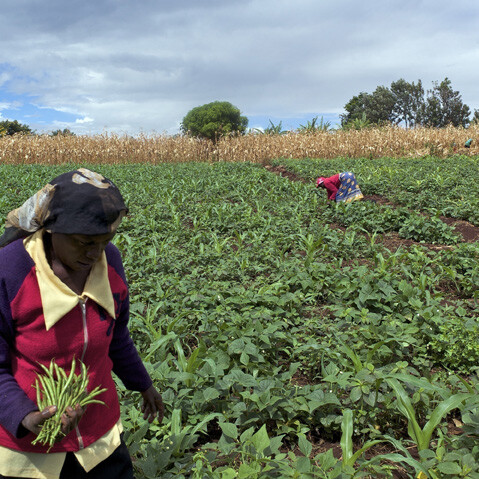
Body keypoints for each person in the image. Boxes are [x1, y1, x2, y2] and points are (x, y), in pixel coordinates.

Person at [0, 168, 164, 479]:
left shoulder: (108, 260)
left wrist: (143, 383)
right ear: (51, 230)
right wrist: (25, 416)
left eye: (105, 241)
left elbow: (116, 336)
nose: (95, 253)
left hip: (99, 437)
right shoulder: (9, 271)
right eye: (83, 242)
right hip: (31, 450)